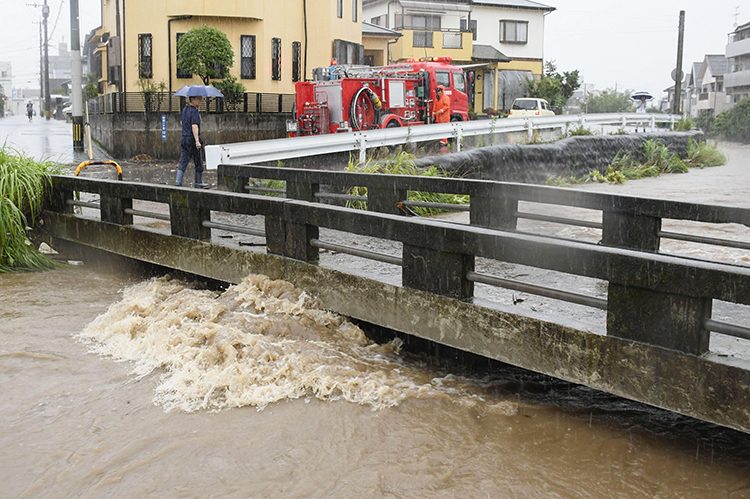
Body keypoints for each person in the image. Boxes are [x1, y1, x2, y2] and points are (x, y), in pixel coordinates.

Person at [176, 95, 208, 188]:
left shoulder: (185, 110)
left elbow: (182, 122)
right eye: (198, 99)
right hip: (192, 139)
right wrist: (197, 141)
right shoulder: (194, 111)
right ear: (192, 99)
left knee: (183, 160)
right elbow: (194, 126)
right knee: (198, 160)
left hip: (184, 138)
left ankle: (178, 181)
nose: (200, 100)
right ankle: (198, 182)